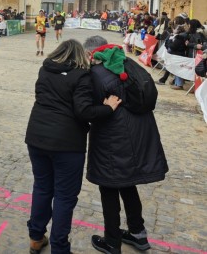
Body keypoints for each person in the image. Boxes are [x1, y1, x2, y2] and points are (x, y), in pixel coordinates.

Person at [25, 39, 121, 254]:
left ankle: (36, 237)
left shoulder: (45, 70)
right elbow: (84, 111)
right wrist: (108, 108)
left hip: (37, 137)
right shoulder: (81, 75)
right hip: (67, 144)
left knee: (42, 188)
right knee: (64, 196)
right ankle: (59, 247)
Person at [83, 36, 169, 254]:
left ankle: (112, 242)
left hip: (114, 139)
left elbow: (89, 109)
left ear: (91, 53)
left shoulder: (96, 73)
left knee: (109, 185)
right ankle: (138, 234)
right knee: (127, 183)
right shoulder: (126, 63)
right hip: (138, 133)